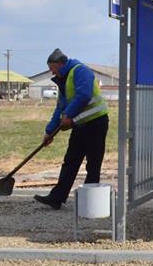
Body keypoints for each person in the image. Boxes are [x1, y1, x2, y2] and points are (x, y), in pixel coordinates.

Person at [34, 49, 109, 210]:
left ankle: (90, 203)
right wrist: (49, 132)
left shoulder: (80, 71)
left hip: (96, 123)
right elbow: (60, 108)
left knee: (93, 164)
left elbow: (84, 95)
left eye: (52, 68)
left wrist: (68, 115)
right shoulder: (64, 81)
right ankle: (57, 198)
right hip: (80, 126)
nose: (51, 71)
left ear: (61, 65)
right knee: (70, 161)